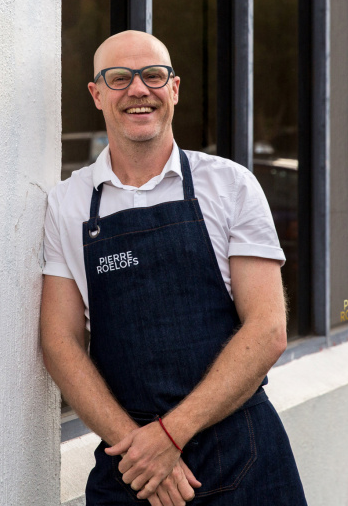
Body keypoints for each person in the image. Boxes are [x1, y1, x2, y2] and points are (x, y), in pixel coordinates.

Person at [40, 31, 307, 506]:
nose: (138, 90)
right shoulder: (68, 203)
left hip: (243, 458)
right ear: (96, 94)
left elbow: (268, 329)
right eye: (119, 78)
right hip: (132, 466)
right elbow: (59, 342)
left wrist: (170, 436)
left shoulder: (230, 185)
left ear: (175, 88)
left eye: (153, 76)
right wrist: (141, 452)